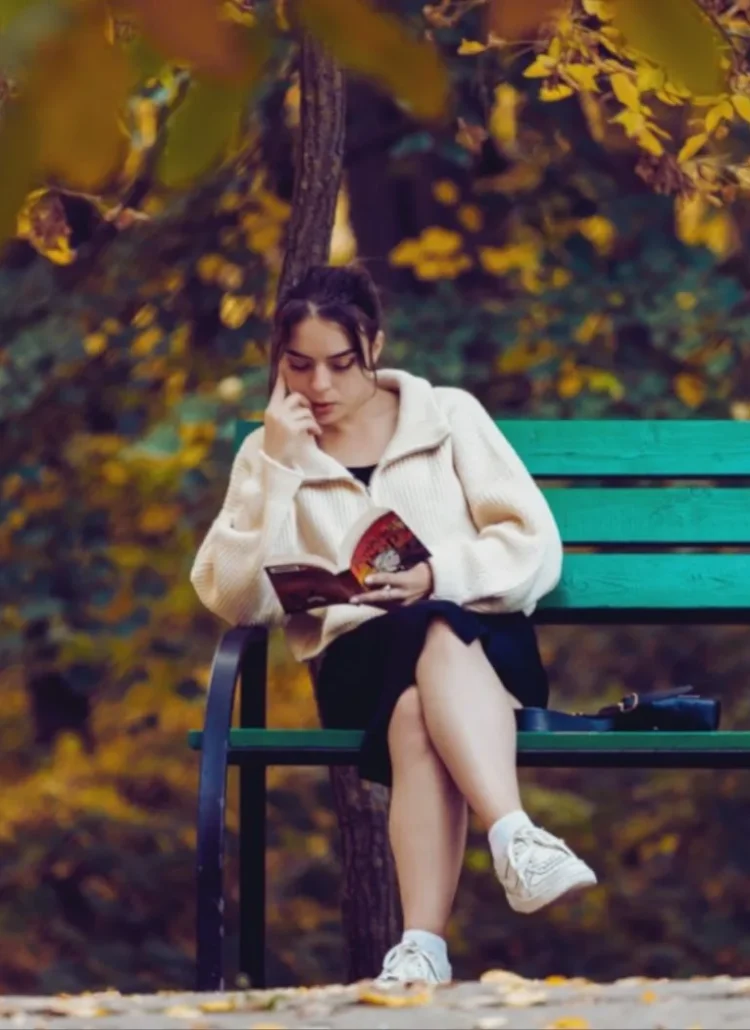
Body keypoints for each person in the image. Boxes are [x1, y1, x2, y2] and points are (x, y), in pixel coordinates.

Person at [190, 264, 597, 988]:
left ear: (373, 344)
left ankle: (422, 950)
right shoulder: (270, 450)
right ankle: (517, 838)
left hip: (483, 648)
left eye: (341, 364)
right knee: (410, 671)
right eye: (300, 365)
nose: (320, 386)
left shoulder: (447, 416)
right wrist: (280, 469)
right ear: (278, 362)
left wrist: (439, 575)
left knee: (425, 671)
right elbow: (231, 595)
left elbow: (536, 546)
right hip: (360, 664)